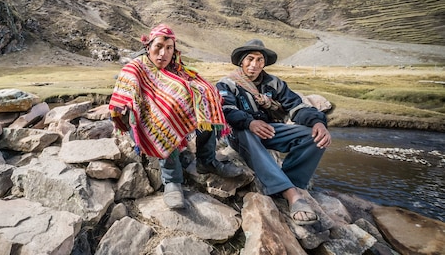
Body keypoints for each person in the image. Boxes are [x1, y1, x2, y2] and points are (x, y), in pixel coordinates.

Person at [109, 24, 241, 209]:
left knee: (206, 96)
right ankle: (172, 180)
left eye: (169, 48)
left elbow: (195, 87)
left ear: (174, 50)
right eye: (159, 47)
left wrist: (205, 94)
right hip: (145, 122)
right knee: (163, 113)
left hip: (171, 119)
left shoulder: (176, 68)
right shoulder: (135, 68)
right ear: (148, 47)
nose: (163, 53)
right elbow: (122, 97)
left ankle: (207, 160)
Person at [216, 39, 332, 225]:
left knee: (313, 136)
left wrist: (318, 122)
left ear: (264, 63)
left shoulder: (274, 84)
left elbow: (296, 106)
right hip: (240, 133)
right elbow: (227, 110)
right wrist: (250, 122)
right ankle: (291, 194)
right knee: (245, 132)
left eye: (259, 60)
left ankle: (291, 181)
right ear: (241, 61)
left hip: (269, 131)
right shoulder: (227, 84)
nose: (254, 65)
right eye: (250, 59)